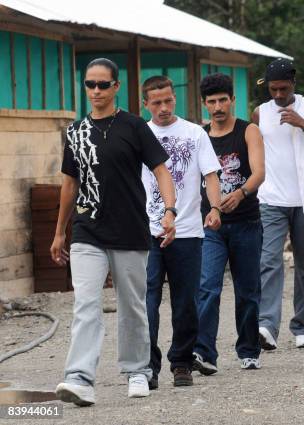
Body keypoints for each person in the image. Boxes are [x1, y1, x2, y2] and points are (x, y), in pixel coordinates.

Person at [51, 58, 176, 406]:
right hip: (87, 229)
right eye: (90, 84)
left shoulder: (135, 126)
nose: (95, 91)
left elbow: (161, 171)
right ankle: (79, 378)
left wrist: (169, 210)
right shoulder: (76, 132)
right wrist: (60, 232)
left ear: (116, 87)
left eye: (103, 84)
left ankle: (138, 370)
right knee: (86, 303)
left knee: (132, 305)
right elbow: (69, 183)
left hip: (130, 229)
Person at [141, 76, 221, 389]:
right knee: (146, 297)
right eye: (156, 102)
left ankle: (182, 362)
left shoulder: (194, 133)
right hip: (146, 230)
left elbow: (210, 175)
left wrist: (214, 208)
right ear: (145, 103)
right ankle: (148, 365)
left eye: (168, 101)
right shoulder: (140, 134)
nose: (163, 108)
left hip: (187, 230)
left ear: (175, 99)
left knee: (185, 299)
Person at [252, 58, 304, 350]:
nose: (277, 95)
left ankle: (302, 326)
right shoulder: (260, 114)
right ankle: (267, 326)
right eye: (272, 89)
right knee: (269, 262)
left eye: (283, 89)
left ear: (293, 84)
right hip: (271, 198)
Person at [193, 73, 265, 372]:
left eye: (224, 100)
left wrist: (241, 192)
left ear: (233, 100)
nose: (219, 106)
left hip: (246, 221)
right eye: (212, 101)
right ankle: (204, 352)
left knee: (247, 290)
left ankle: (248, 349)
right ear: (204, 104)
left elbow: (259, 173)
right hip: (211, 225)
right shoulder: (199, 135)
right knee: (208, 286)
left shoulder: (249, 131)